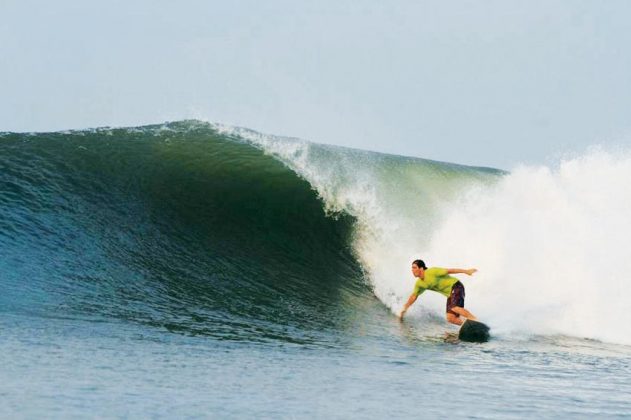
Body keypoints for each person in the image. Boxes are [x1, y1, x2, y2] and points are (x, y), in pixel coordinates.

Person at [398, 259, 478, 325]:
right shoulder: (419, 284)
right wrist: (405, 308)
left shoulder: (432, 271)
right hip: (450, 294)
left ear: (421, 268)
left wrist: (466, 271)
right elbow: (413, 296)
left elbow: (450, 270)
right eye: (412, 268)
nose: (412, 270)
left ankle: (475, 320)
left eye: (414, 268)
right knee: (450, 318)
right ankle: (469, 326)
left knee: (455, 308)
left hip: (456, 286)